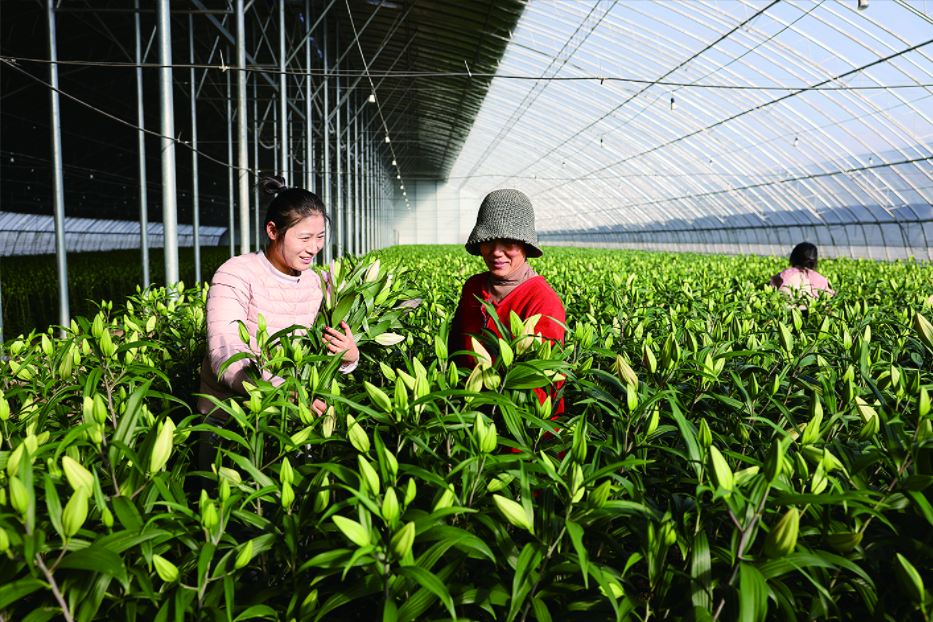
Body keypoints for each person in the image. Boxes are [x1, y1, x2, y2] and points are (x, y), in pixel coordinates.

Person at [197, 176, 358, 457]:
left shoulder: (320, 283)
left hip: (293, 419)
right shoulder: (236, 273)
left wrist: (349, 358)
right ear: (273, 231)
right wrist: (282, 393)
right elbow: (226, 352)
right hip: (231, 420)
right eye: (304, 238)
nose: (314, 248)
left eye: (320, 237)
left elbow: (326, 348)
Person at [448, 188, 566, 417]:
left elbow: (542, 385)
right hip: (465, 415)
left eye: (509, 243)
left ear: (525, 245)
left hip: (519, 427)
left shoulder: (543, 301)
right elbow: (455, 347)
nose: (496, 252)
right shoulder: (473, 287)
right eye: (488, 241)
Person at [770, 242, 835, 303]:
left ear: (793, 259)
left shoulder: (785, 274)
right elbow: (828, 299)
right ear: (815, 263)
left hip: (784, 311)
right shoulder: (821, 279)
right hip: (811, 311)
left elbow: (771, 287)